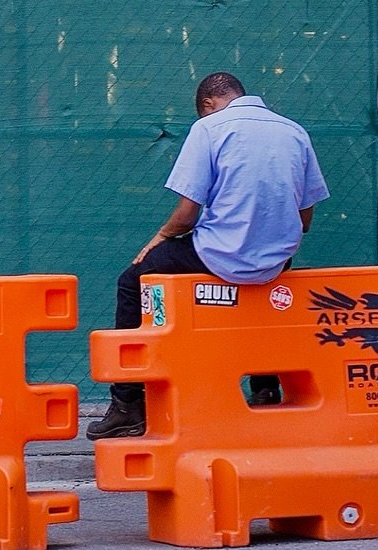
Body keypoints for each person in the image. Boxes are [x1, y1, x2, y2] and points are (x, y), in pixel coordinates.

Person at [88, 71, 329, 440]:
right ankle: (265, 392)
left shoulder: (210, 128)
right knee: (258, 298)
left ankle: (127, 405)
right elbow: (305, 219)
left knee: (131, 282)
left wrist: (160, 238)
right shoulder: (294, 131)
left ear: (207, 104)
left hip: (218, 255)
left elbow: (187, 214)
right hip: (276, 263)